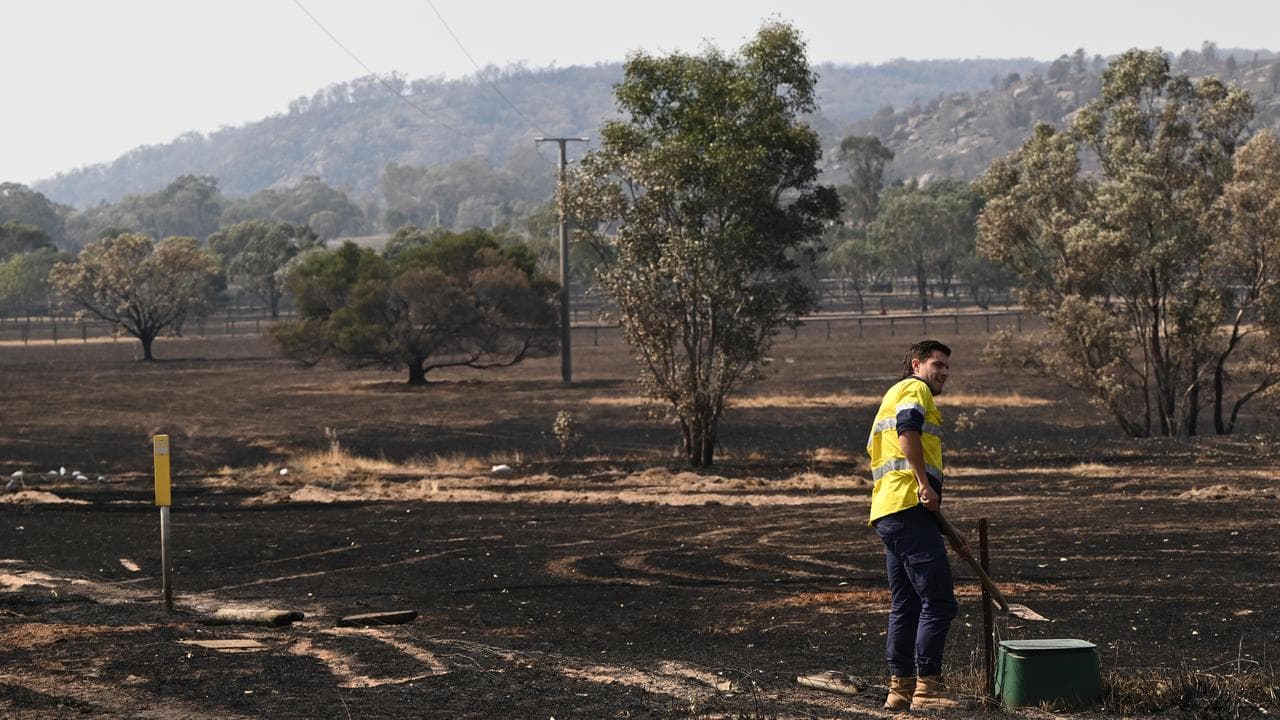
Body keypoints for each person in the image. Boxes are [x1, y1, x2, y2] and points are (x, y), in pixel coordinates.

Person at [865, 339, 973, 711]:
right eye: (937, 365)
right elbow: (907, 433)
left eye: (946, 367)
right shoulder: (914, 389)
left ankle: (901, 689)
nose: (944, 373)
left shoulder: (894, 394)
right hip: (908, 508)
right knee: (939, 602)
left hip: (892, 512)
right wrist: (924, 484)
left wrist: (951, 533)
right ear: (916, 365)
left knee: (907, 603)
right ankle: (928, 690)